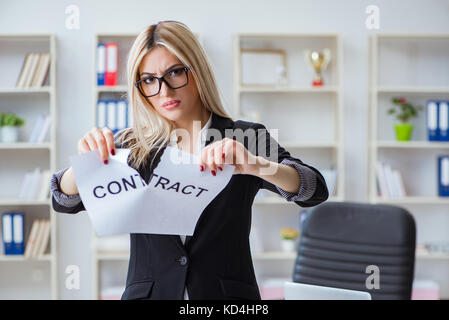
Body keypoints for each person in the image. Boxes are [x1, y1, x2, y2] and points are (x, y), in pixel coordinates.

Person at [50, 20, 329, 300]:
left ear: (198, 71)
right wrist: (84, 164)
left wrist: (257, 165)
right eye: (148, 80)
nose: (165, 91)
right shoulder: (132, 146)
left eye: (175, 72)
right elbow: (64, 200)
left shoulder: (243, 137)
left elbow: (314, 190)